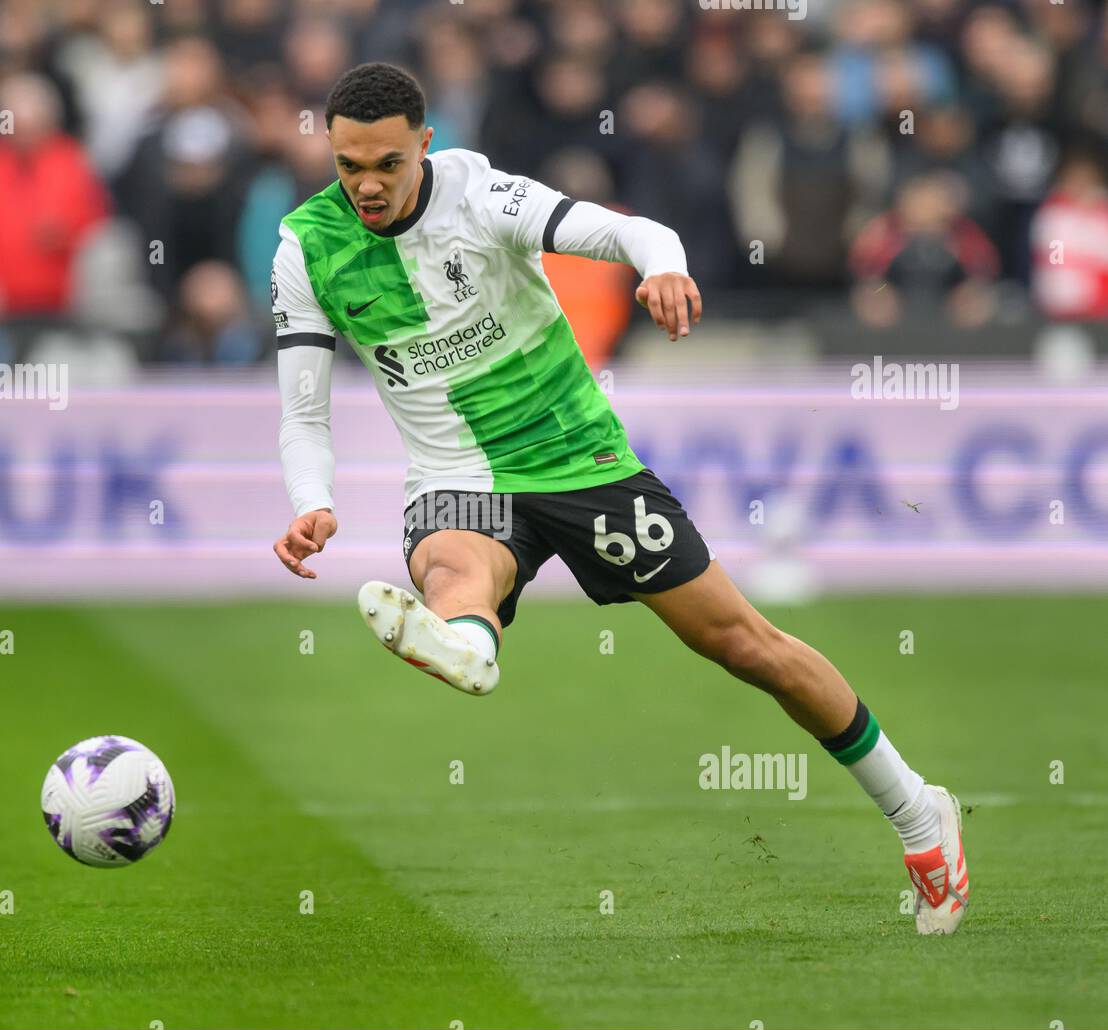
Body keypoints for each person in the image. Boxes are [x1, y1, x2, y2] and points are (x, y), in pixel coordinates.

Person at [270, 63, 969, 935]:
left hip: (579, 459)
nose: (366, 184)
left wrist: (665, 270)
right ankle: (465, 642)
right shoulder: (306, 244)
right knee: (452, 564)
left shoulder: (483, 196)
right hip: (458, 473)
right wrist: (312, 498)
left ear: (425, 144)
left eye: (385, 163)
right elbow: (303, 409)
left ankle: (917, 812)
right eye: (347, 165)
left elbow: (632, 233)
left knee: (748, 646)